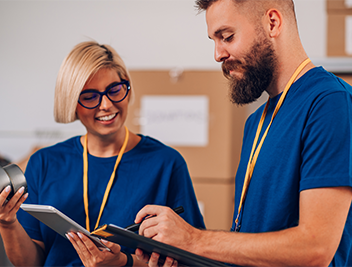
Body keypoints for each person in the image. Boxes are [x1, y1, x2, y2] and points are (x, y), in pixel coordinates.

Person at [135, 0, 352, 266]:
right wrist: (178, 252)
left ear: (272, 23)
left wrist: (194, 239)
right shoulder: (256, 122)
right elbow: (251, 245)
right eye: (214, 40)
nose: (217, 54)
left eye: (227, 37)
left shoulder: (330, 102)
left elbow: (316, 248)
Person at [0, 41, 205, 267]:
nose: (106, 105)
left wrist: (124, 262)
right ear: (72, 102)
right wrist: (7, 223)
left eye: (114, 90)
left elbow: (191, 260)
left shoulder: (166, 163)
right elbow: (30, 263)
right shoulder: (44, 163)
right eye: (90, 96)